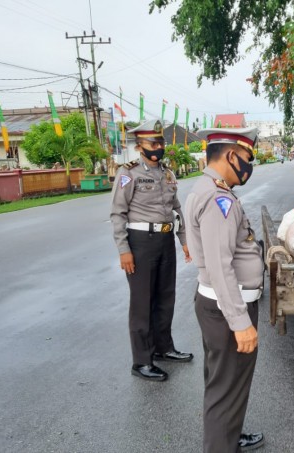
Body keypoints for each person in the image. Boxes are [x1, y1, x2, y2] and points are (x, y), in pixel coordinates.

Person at [184, 127, 265, 453]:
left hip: (217, 305)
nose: (250, 165)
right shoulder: (219, 199)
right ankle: (221, 443)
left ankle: (229, 434)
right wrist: (240, 322)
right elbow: (219, 266)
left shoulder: (205, 189)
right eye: (248, 158)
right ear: (232, 155)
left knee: (224, 384)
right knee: (225, 387)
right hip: (227, 309)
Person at [110, 119, 193, 382]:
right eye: (152, 143)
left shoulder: (167, 174)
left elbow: (176, 209)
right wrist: (124, 250)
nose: (158, 147)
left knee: (165, 297)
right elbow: (117, 213)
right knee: (142, 302)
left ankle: (163, 348)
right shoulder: (128, 173)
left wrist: (184, 239)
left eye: (161, 142)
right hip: (140, 242)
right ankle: (142, 361)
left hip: (165, 241)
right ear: (139, 146)